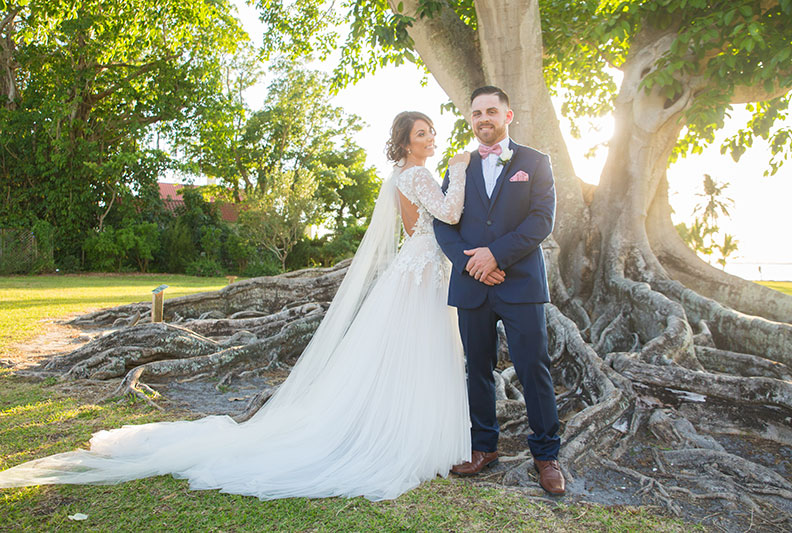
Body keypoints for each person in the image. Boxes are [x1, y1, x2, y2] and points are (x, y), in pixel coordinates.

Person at [0, 111, 473, 502]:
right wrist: (462, 170)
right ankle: (405, 435)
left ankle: (406, 427)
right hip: (422, 272)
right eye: (422, 133)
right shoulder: (419, 174)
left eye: (432, 131)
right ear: (405, 143)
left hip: (420, 268)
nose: (431, 138)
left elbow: (419, 230)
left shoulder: (403, 177)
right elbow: (449, 214)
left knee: (413, 352)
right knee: (419, 349)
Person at [433, 86, 565, 495]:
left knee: (533, 369)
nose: (483, 118)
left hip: (520, 283)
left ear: (508, 116)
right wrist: (473, 263)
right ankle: (483, 447)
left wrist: (495, 255)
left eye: (492, 111)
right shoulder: (459, 164)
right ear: (470, 119)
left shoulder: (535, 162)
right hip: (472, 285)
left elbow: (542, 219)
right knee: (478, 368)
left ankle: (546, 456)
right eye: (476, 113)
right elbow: (442, 221)